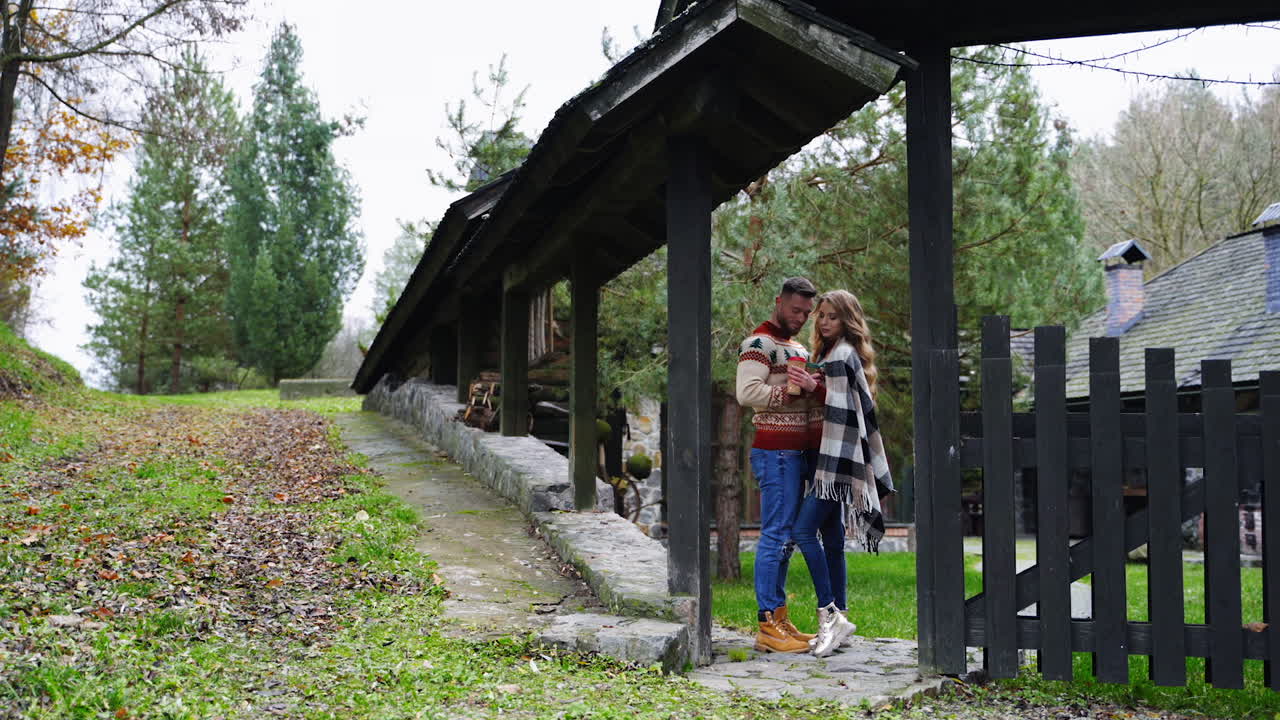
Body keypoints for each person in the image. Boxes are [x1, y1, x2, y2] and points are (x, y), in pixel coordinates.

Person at [793, 289, 895, 657]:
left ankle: (829, 615)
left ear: (848, 321)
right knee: (832, 540)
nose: (823, 322)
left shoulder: (838, 356)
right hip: (842, 458)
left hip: (834, 461)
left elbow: (837, 410)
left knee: (803, 531)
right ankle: (843, 618)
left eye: (832, 316)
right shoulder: (841, 354)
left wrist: (810, 387)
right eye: (820, 315)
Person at [735, 276, 824, 653]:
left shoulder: (796, 346)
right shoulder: (758, 344)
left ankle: (781, 619)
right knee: (775, 534)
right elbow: (746, 392)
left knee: (786, 537)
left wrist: (815, 384)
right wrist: (792, 389)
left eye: (807, 312)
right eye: (795, 310)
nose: (802, 317)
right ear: (778, 302)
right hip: (775, 452)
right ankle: (767, 624)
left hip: (797, 453)